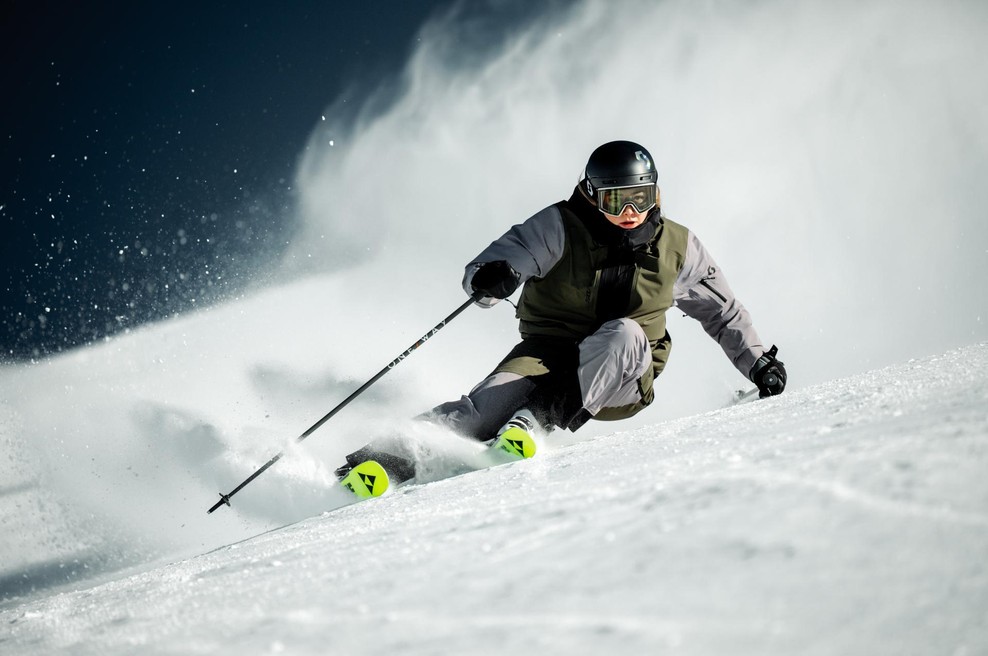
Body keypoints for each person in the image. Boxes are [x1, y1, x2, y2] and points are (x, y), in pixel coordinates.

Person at [335, 140, 786, 496]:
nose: (629, 213)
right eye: (615, 201)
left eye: (639, 198)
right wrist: (493, 278)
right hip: (547, 353)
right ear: (592, 195)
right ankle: (374, 465)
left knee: (624, 334)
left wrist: (758, 361)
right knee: (479, 411)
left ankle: (534, 423)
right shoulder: (559, 226)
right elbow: (498, 262)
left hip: (623, 376)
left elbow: (722, 312)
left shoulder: (678, 246)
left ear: (655, 194)